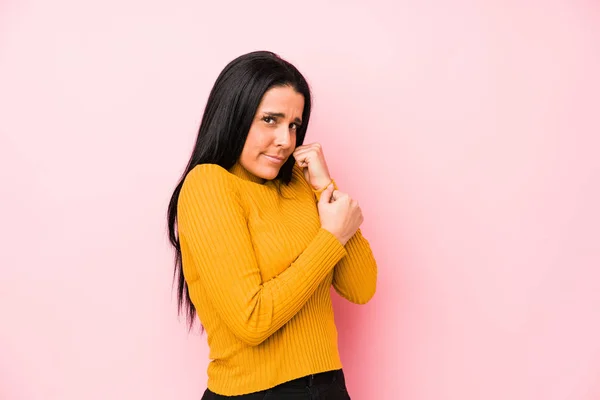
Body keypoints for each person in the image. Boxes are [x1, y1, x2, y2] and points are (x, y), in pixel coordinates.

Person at [166, 50, 377, 399]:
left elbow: (361, 286)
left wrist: (325, 186)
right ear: (234, 116)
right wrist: (331, 237)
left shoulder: (299, 184)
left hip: (329, 387)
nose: (285, 140)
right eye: (270, 120)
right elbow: (252, 320)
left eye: (294, 125)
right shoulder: (209, 185)